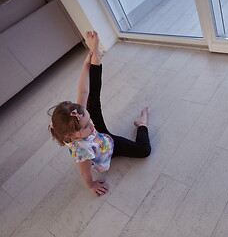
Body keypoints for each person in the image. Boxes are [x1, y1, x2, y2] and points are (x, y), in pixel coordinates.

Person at [48, 31, 151, 197]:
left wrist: (86, 64)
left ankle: (96, 58)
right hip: (108, 147)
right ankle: (142, 124)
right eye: (88, 126)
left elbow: (83, 90)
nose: (92, 124)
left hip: (100, 137)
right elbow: (85, 173)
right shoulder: (82, 151)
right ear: (72, 135)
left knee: (92, 99)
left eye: (89, 121)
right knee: (144, 151)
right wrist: (91, 186)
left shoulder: (77, 119)